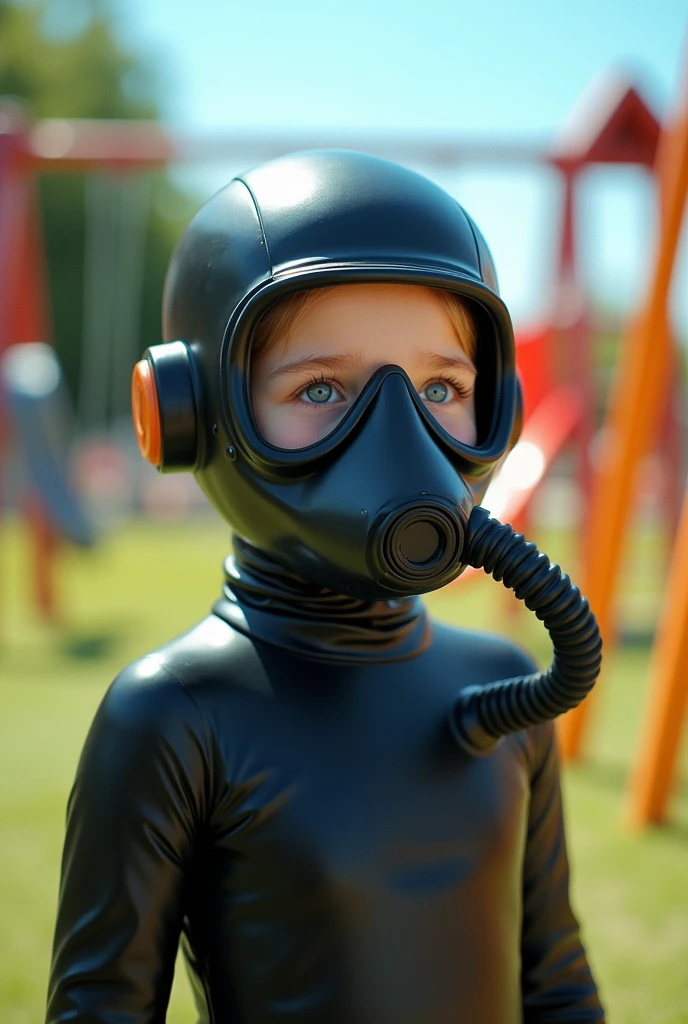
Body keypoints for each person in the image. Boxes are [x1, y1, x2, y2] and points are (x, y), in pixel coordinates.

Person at [46, 150, 604, 1023]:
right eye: (320, 388)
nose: (399, 437)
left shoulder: (504, 688)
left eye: (440, 388)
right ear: (189, 415)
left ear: (497, 404)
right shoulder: (177, 715)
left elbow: (559, 982)